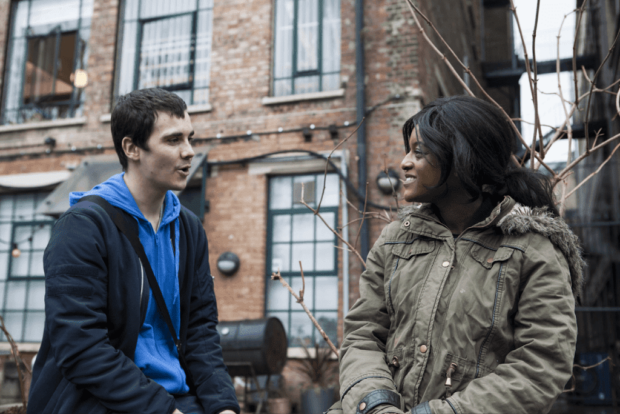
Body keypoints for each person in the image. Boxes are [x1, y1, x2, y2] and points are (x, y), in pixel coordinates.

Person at [328, 95, 581, 414]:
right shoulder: (396, 239)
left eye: (419, 152)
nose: (405, 162)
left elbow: (540, 366)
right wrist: (376, 404)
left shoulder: (534, 250)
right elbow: (362, 334)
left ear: (464, 160)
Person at [28, 88, 240, 414]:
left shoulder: (188, 228)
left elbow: (199, 330)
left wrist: (223, 406)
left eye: (190, 138)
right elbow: (81, 348)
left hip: (175, 397)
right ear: (132, 148)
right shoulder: (84, 227)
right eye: (173, 140)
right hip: (95, 401)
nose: (189, 152)